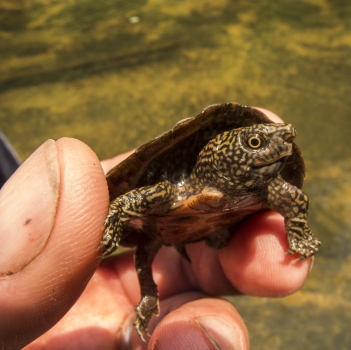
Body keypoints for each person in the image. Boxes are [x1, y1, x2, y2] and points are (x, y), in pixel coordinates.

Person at [0, 110, 314, 350]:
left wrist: (297, 232)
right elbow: (124, 202)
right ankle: (149, 296)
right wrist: (111, 224)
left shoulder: (268, 189)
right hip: (160, 225)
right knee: (146, 248)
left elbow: (295, 200)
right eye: (255, 143)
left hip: (218, 224)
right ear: (216, 153)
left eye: (280, 141)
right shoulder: (172, 189)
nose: (279, 144)